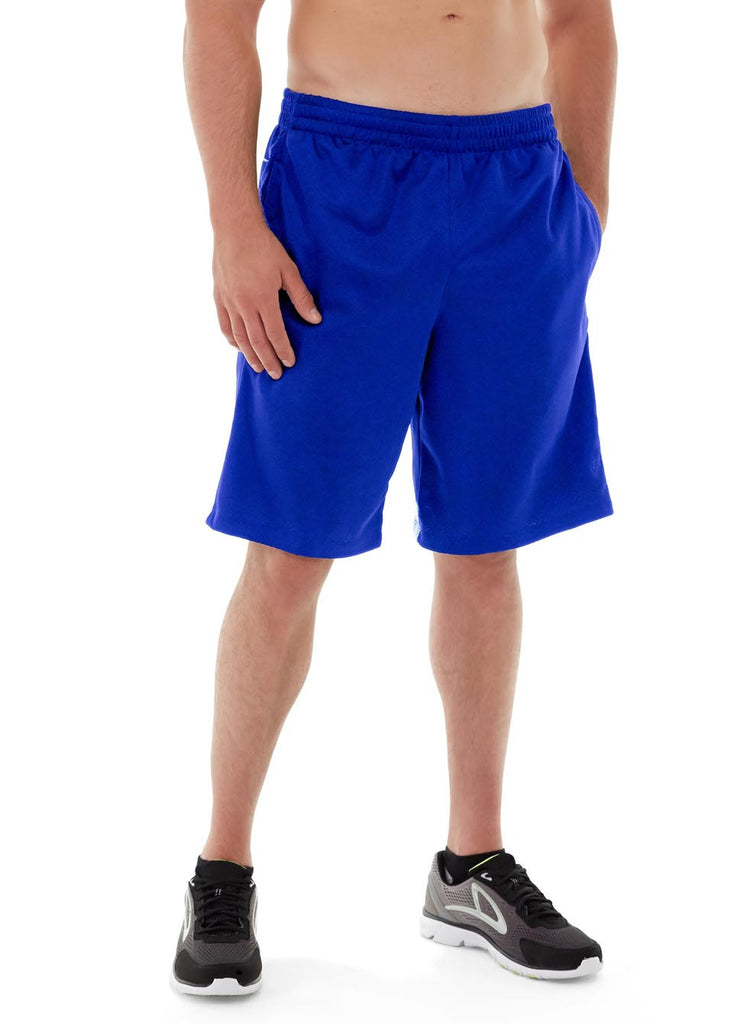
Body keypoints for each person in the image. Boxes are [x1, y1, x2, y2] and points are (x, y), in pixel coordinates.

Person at [173, 0, 617, 995]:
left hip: (518, 188)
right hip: (341, 182)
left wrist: (586, 208)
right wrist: (233, 222)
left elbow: (580, 17)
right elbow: (218, 20)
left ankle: (471, 864)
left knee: (486, 545)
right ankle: (222, 866)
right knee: (289, 548)